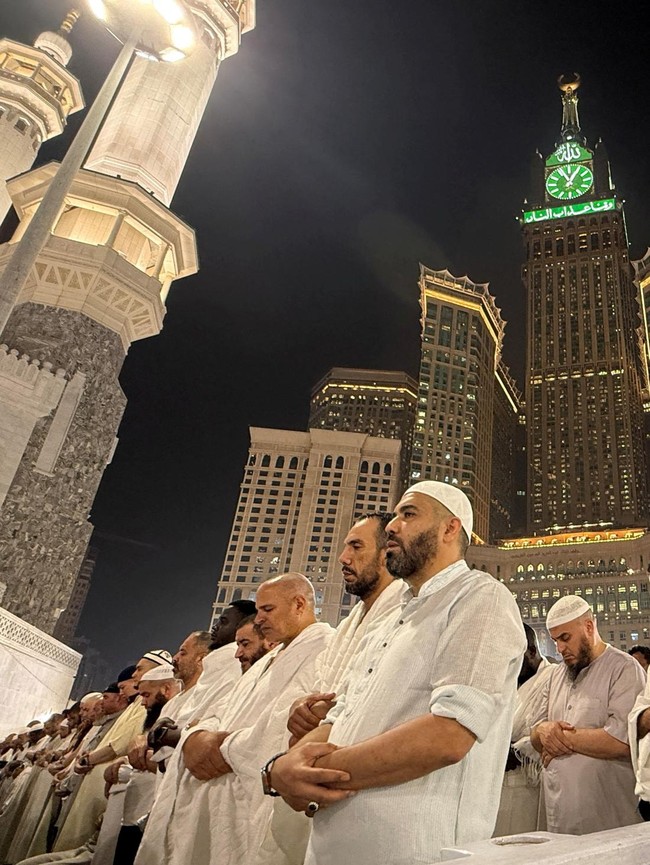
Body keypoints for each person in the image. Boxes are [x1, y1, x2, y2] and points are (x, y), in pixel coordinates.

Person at [269, 480, 525, 865]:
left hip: (417, 850)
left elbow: (450, 734)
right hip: (331, 848)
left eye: (408, 514)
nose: (391, 526)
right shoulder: (389, 619)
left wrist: (309, 772)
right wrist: (285, 765)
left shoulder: (479, 597)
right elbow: (343, 715)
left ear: (449, 528)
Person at [135, 573, 333, 865]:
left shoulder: (325, 646)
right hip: (218, 794)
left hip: (253, 796)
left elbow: (292, 723)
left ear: (299, 604)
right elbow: (224, 710)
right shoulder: (268, 658)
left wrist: (223, 747)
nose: (259, 619)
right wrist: (197, 736)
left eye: (267, 610)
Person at [530, 594, 645, 835]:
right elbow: (535, 733)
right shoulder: (555, 675)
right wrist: (543, 732)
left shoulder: (624, 668)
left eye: (565, 638)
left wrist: (558, 737)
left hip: (609, 818)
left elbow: (621, 740)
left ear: (589, 627)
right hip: (560, 817)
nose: (559, 648)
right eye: (555, 640)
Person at [287, 513, 403, 745]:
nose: (343, 558)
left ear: (386, 554)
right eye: (345, 548)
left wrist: (332, 712)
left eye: (356, 547)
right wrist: (301, 708)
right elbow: (317, 687)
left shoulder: (406, 614)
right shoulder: (347, 626)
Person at [493, 623, 553, 836]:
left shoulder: (554, 678)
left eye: (513, 660)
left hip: (534, 784)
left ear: (532, 651)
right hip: (498, 783)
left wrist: (517, 751)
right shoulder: (505, 683)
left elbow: (553, 728)